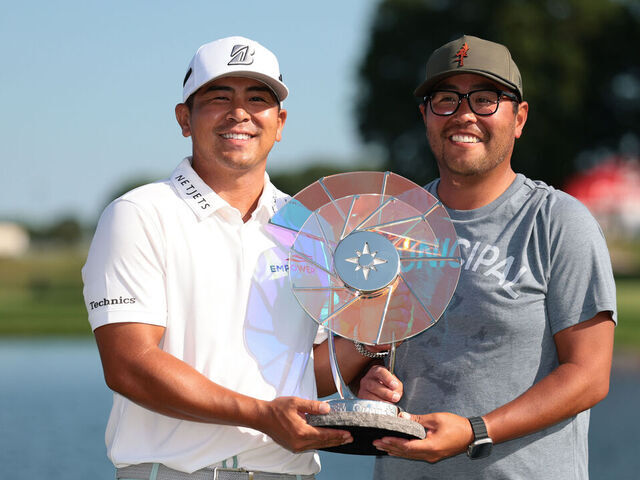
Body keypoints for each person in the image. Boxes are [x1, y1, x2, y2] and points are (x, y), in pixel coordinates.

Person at [82, 36, 392, 480]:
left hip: (287, 473)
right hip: (175, 472)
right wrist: (262, 415)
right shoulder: (139, 213)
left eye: (258, 98)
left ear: (280, 121)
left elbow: (308, 373)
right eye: (218, 97)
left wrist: (368, 343)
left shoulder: (308, 226)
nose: (240, 113)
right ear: (183, 118)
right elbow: (129, 365)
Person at [361, 35, 617, 479]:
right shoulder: (393, 225)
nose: (464, 114)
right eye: (446, 99)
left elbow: (589, 376)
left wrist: (477, 430)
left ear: (518, 118)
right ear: (425, 116)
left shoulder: (558, 221)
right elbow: (369, 349)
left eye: (485, 99)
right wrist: (368, 381)